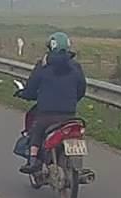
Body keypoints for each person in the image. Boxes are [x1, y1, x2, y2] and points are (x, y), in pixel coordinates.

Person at [16, 31, 87, 174]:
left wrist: (24, 94)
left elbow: (31, 88)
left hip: (47, 115)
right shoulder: (76, 67)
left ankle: (33, 161)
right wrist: (71, 100)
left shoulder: (43, 66)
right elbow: (81, 89)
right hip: (69, 115)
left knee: (36, 131)